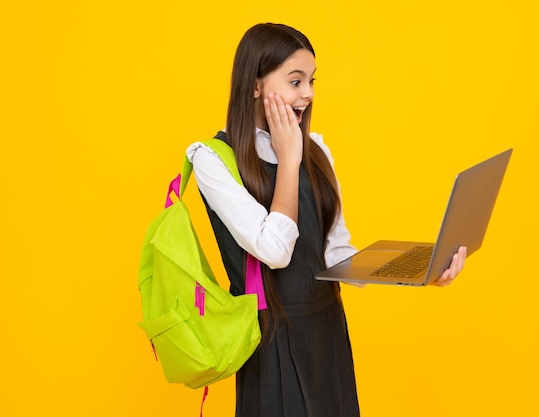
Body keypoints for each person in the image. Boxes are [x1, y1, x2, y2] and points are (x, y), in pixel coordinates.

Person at [187, 23, 467, 417]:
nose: (308, 94)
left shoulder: (317, 148)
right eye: (295, 81)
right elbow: (275, 251)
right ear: (254, 85)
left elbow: (337, 253)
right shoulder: (213, 160)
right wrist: (289, 158)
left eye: (311, 81)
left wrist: (423, 269)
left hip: (327, 333)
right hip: (270, 343)